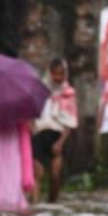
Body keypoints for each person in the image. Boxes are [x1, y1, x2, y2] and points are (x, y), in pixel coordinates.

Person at [32, 58, 79, 203]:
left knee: (55, 174)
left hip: (58, 135)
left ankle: (52, 202)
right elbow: (32, 112)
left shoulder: (68, 93)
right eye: (56, 74)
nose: (58, 77)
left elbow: (71, 121)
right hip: (39, 132)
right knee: (37, 172)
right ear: (50, 73)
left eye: (62, 74)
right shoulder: (40, 89)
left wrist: (60, 143)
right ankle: (35, 203)